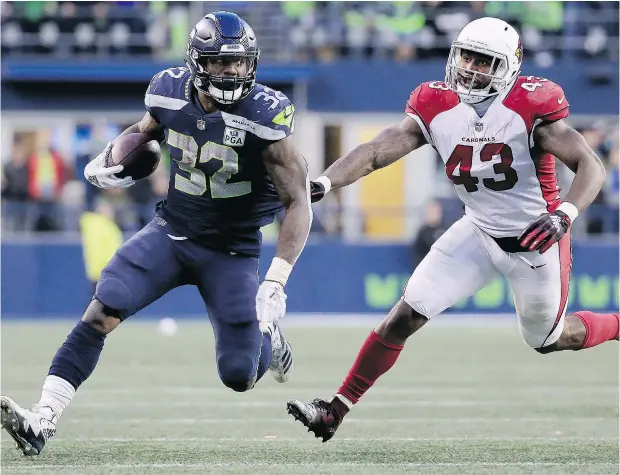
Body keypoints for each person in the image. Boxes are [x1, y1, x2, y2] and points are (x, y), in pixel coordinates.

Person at [286, 17, 618, 442]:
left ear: (509, 67)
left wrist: (565, 213)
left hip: (536, 241)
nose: (471, 69)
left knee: (548, 338)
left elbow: (590, 164)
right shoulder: (435, 102)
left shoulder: (531, 105)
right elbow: (375, 152)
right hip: (477, 231)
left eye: (484, 61)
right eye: (466, 56)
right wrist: (325, 182)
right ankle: (334, 410)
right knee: (404, 315)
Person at [1, 11, 312, 456]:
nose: (233, 72)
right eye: (222, 64)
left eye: (240, 63)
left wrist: (276, 281)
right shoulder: (168, 93)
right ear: (197, 64)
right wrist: (110, 159)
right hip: (172, 231)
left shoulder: (266, 115)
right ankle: (43, 420)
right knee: (103, 308)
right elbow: (143, 133)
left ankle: (269, 338)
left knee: (239, 373)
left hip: (231, 250)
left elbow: (298, 202)